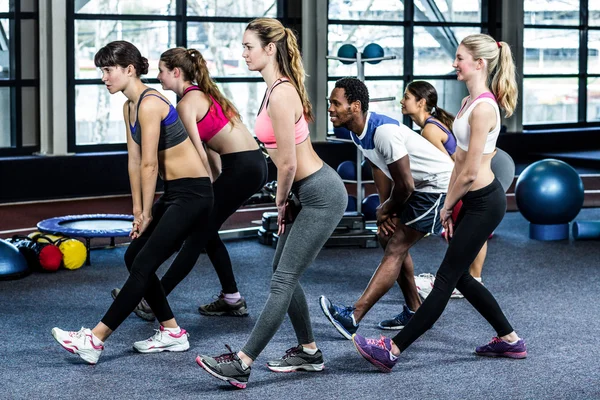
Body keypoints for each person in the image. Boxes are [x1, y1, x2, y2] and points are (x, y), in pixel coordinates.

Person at [352, 34, 527, 373]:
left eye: (460, 57)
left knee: (446, 278)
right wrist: (452, 203)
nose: (454, 63)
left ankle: (393, 348)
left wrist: (448, 206)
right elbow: (458, 160)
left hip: (484, 202)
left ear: (480, 63)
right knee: (460, 277)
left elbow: (471, 169)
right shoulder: (467, 103)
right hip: (468, 199)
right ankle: (509, 339)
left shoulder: (485, 108)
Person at [195, 18, 347, 389]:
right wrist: (289, 198)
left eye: (249, 46)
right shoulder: (271, 90)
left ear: (269, 49)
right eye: (243, 46)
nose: (243, 53)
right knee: (282, 272)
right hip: (302, 193)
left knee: (282, 279)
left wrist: (281, 202)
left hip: (320, 193)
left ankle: (243, 361)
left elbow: (290, 162)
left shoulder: (281, 94)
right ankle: (309, 351)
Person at [51, 41, 214, 364]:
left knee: (142, 262)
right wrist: (138, 212)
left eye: (108, 70)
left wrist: (148, 211)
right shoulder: (129, 106)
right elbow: (135, 160)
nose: (103, 77)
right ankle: (171, 332)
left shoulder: (152, 103)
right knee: (134, 256)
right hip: (176, 193)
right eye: (101, 70)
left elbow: (151, 165)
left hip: (194, 194)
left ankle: (94, 340)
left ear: (129, 69)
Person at [112, 47, 268, 321]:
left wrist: (202, 193)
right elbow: (213, 151)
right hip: (249, 164)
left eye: (162, 71)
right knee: (206, 232)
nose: (158, 76)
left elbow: (198, 152)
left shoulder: (185, 104)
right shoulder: (202, 93)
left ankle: (151, 300)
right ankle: (232, 298)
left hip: (243, 167)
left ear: (176, 72)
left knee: (194, 237)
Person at [319, 77, 454, 339]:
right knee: (387, 236)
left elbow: (405, 185)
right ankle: (415, 310)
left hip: (438, 187)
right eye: (330, 103)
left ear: (355, 106)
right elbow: (379, 168)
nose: (330, 108)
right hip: (418, 185)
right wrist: (386, 212)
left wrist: (385, 209)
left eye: (336, 103)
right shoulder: (358, 131)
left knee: (395, 247)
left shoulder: (384, 132)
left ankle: (354, 316)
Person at [399, 81, 516, 306]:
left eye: (407, 97)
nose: (402, 101)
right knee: (464, 235)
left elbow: (446, 166)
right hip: (464, 180)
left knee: (467, 234)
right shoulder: (430, 125)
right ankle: (468, 279)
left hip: (470, 179)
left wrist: (448, 200)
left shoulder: (429, 130)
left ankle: (471, 280)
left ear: (421, 102)